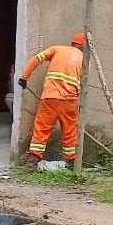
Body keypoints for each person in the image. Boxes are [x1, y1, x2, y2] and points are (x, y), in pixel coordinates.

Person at [19, 33, 85, 165]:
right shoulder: (84, 58)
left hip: (51, 98)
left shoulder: (57, 49)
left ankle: (33, 161)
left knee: (42, 128)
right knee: (70, 131)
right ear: (83, 46)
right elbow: (82, 80)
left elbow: (37, 58)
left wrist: (24, 77)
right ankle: (71, 162)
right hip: (70, 101)